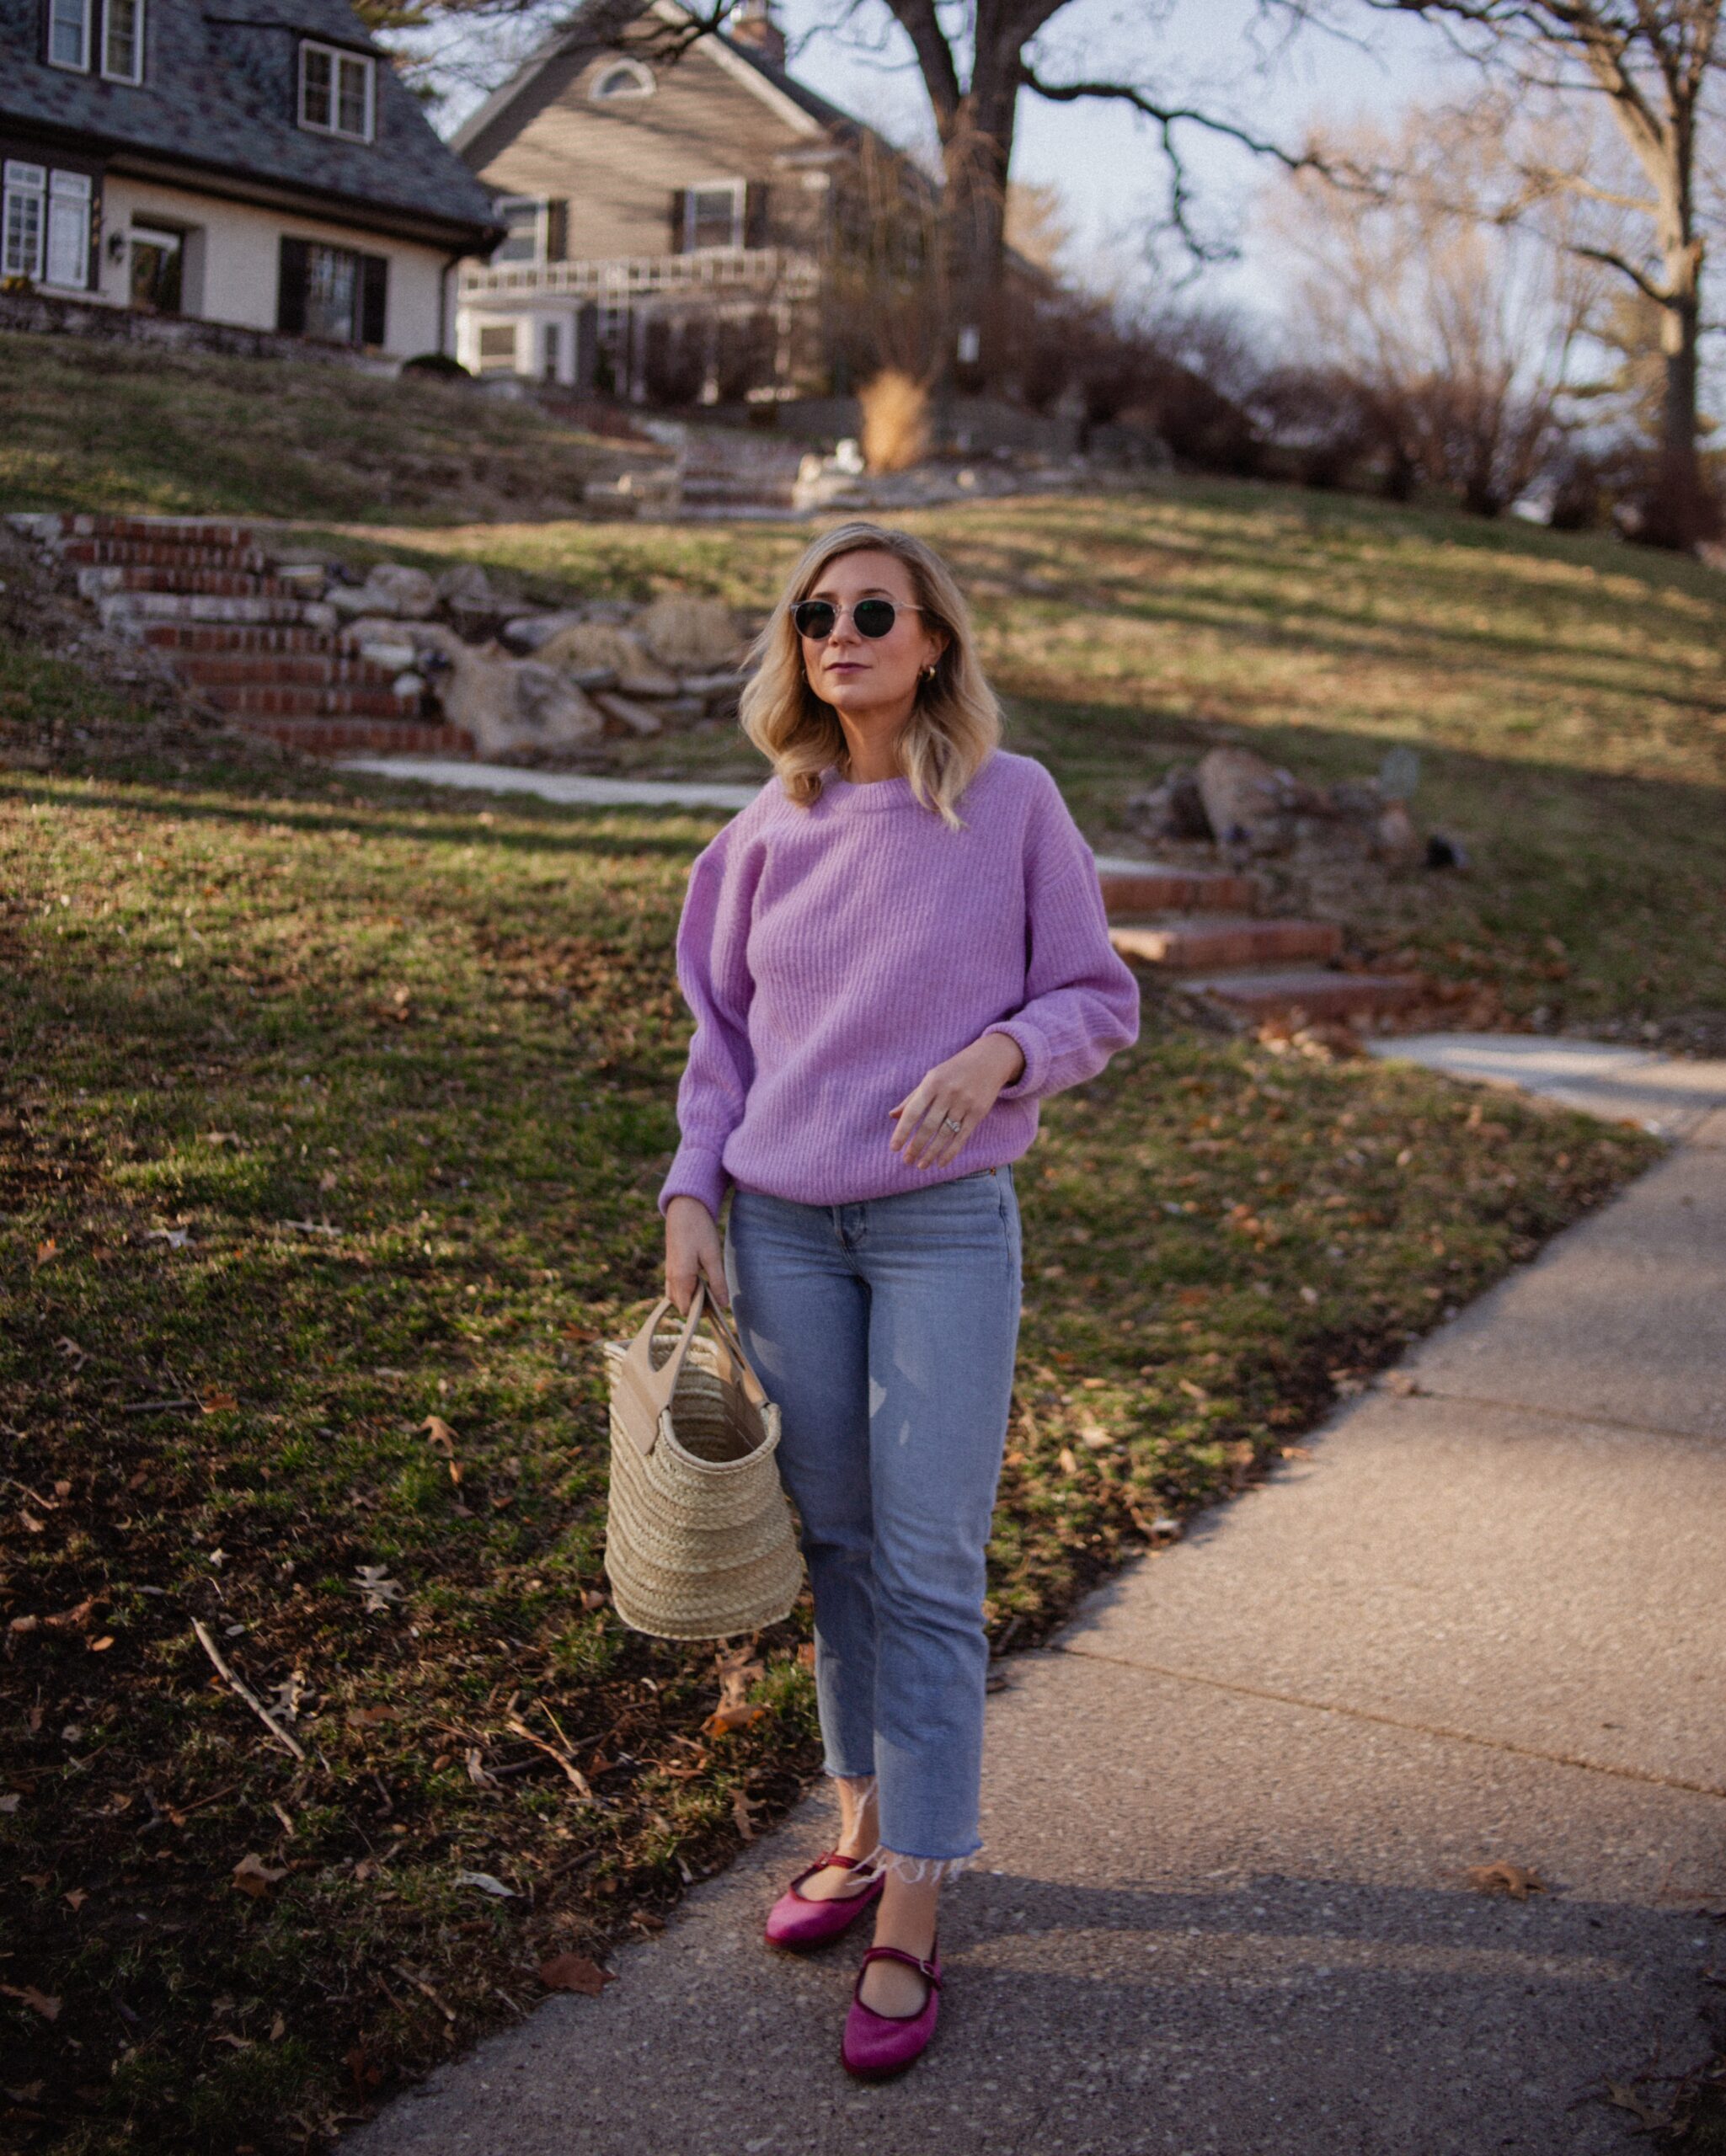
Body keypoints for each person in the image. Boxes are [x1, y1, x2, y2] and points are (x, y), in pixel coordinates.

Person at [659, 520, 1139, 2079]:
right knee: (842, 1547)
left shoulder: (1010, 805)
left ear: (935, 640)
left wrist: (1001, 1052)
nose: (842, 632)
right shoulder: (757, 834)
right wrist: (689, 1194)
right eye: (817, 614)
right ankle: (861, 1829)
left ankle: (917, 1904)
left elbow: (1095, 994)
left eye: (876, 610)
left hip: (941, 1231)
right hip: (787, 1229)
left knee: (928, 1560)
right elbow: (720, 1052)